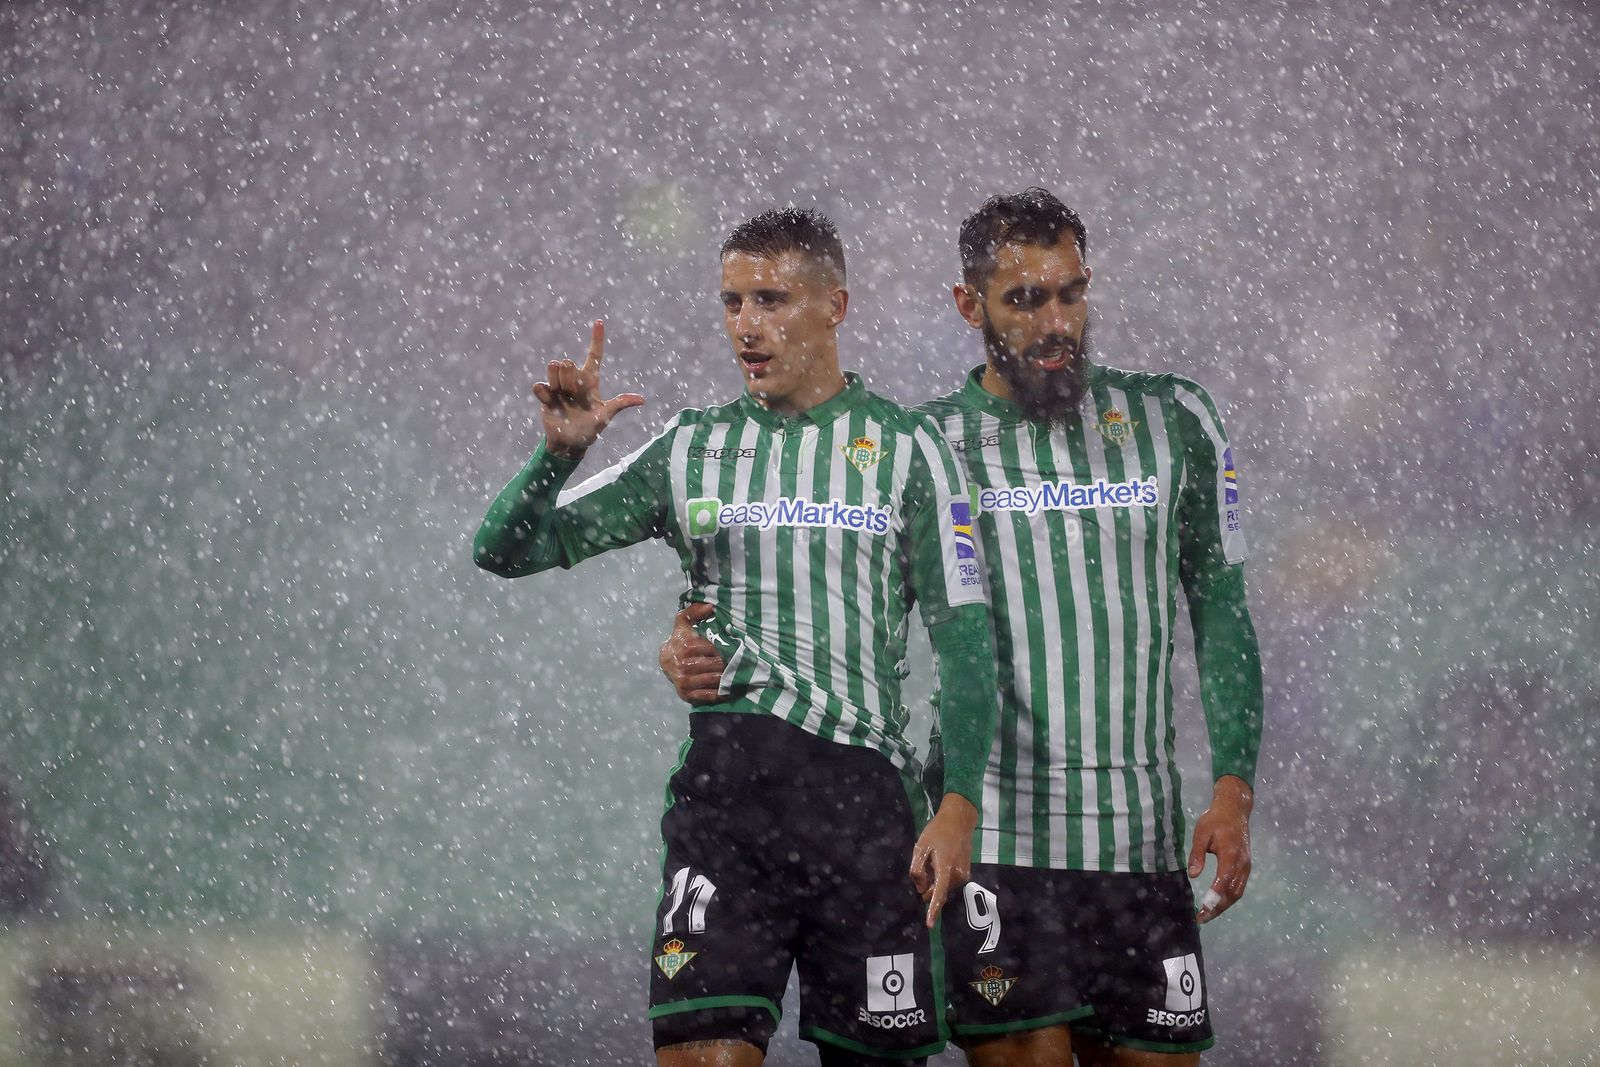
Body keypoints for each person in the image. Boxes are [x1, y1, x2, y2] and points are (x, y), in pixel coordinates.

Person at [660, 190, 1264, 1066]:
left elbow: (1221, 611)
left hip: (1140, 840)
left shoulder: (1175, 422)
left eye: (1071, 293)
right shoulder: (927, 444)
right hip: (992, 842)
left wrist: (1234, 788)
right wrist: (697, 643)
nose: (1056, 322)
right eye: (1025, 299)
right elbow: (821, 587)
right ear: (968, 304)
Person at [475, 209, 999, 1067]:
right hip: (728, 805)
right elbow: (504, 550)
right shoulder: (693, 445)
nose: (746, 325)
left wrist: (958, 803)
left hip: (863, 811)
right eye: (732, 302)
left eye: (771, 299)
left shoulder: (910, 451)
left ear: (834, 305)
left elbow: (966, 641)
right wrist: (557, 457)